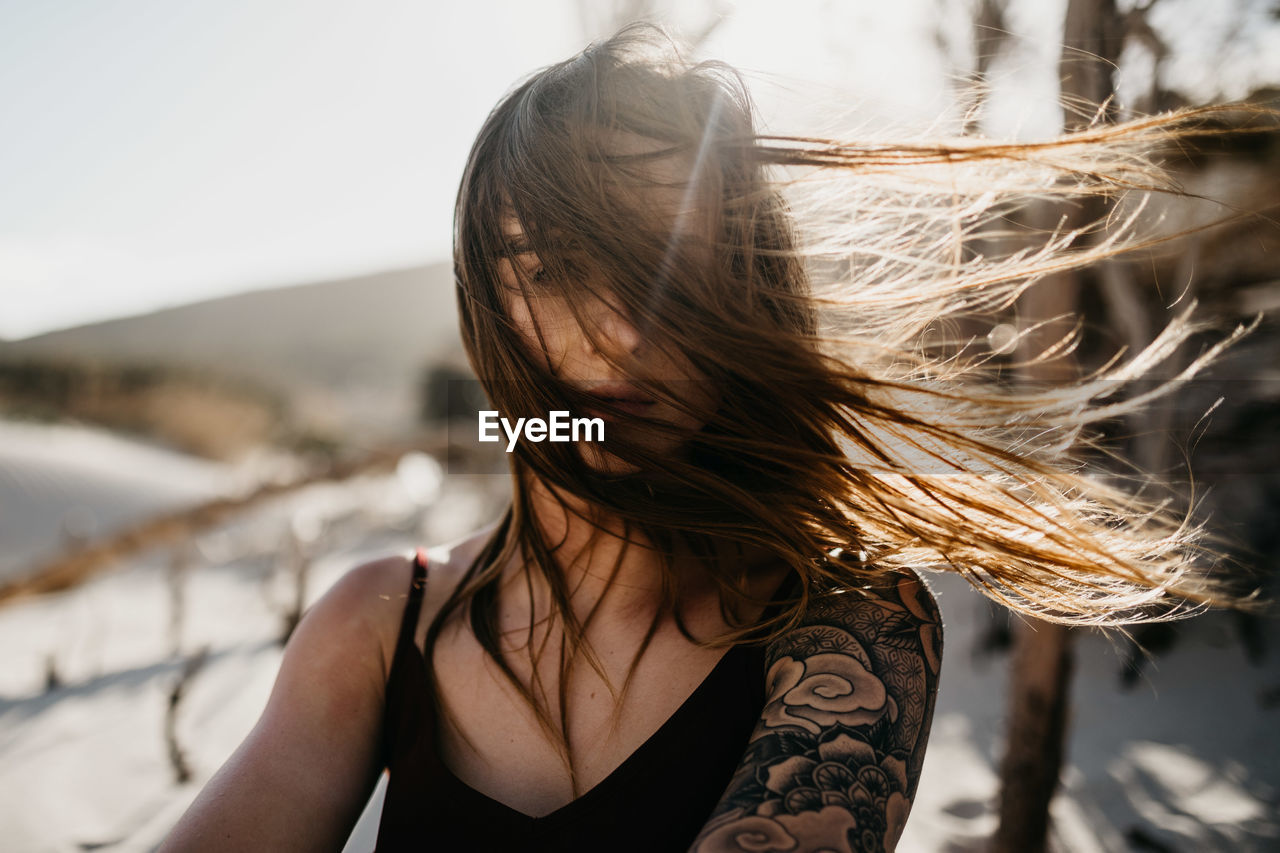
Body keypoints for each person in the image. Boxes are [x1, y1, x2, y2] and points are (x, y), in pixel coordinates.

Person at [159, 24, 1249, 853]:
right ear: (483, 303)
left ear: (744, 290)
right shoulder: (377, 625)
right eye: (550, 266)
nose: (623, 330)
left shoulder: (848, 626)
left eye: (666, 261)